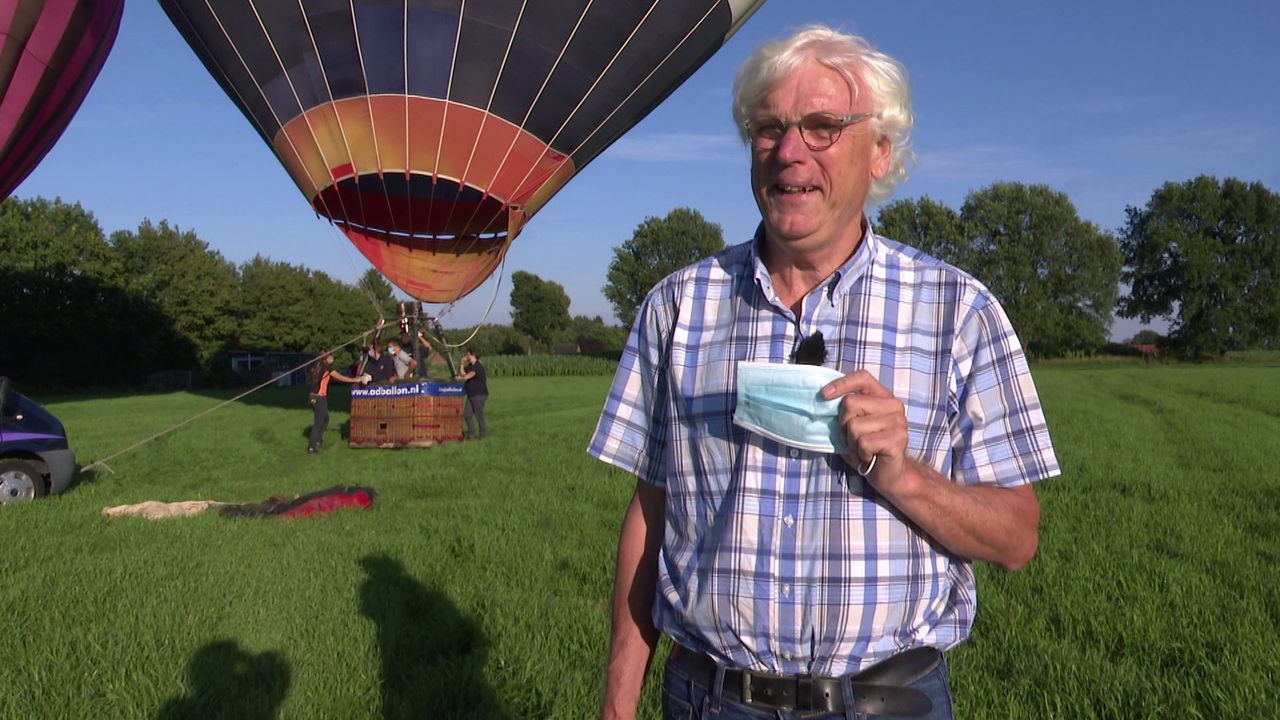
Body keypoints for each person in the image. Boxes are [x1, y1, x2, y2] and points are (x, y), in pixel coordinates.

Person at [588, 26, 1060, 720]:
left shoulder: (958, 311)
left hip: (886, 703)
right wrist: (616, 706)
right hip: (708, 701)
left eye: (822, 126)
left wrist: (903, 475)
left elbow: (1018, 538)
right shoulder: (678, 306)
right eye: (769, 127)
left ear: (879, 153)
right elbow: (651, 514)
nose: (788, 151)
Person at [306, 353, 368, 454]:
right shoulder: (327, 368)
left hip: (312, 397)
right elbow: (341, 378)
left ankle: (318, 440)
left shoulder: (317, 367)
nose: (333, 358)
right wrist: (355, 380)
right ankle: (312, 447)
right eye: (331, 356)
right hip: (319, 398)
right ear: (326, 358)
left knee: (325, 419)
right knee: (318, 422)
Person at [455, 348, 488, 439]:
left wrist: (461, 378)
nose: (466, 356)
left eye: (468, 354)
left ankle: (483, 434)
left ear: (472, 355)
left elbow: (469, 376)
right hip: (471, 394)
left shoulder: (477, 366)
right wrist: (461, 363)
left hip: (479, 394)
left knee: (479, 414)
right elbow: (462, 373)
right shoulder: (470, 365)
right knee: (467, 414)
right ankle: (471, 434)